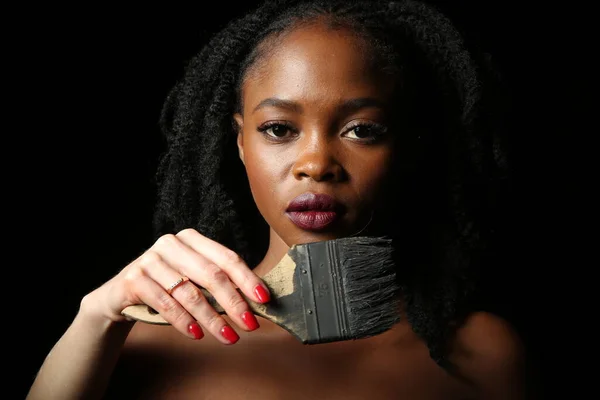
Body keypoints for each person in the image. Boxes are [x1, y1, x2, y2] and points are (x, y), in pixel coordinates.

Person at [27, 0, 531, 398]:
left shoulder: (482, 354)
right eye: (278, 129)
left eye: (362, 129)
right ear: (240, 142)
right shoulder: (138, 347)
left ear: (406, 146)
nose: (316, 163)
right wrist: (95, 317)